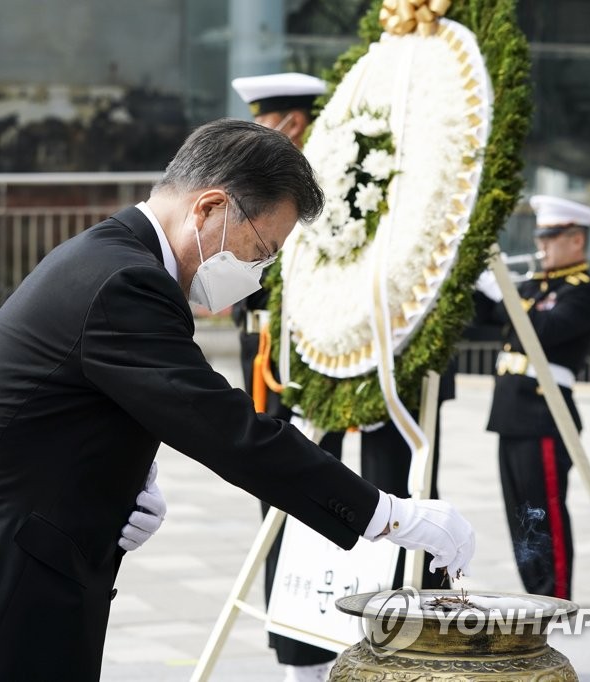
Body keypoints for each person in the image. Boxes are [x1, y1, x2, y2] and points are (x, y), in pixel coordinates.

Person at [0, 118, 476, 682]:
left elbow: (77, 402)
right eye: (260, 252)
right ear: (210, 208)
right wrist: (389, 515)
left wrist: (125, 478)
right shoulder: (126, 279)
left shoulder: (112, 256)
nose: (257, 274)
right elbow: (225, 427)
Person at [231, 72, 347, 682]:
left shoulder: (319, 190)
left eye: (265, 122)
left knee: (317, 499)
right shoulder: (255, 188)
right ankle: (294, 654)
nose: (257, 134)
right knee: (274, 506)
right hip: (265, 374)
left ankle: (318, 652)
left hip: (311, 372)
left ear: (293, 124)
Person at [476, 195, 590, 600]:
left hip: (544, 414)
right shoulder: (534, 285)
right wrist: (478, 282)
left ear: (576, 241)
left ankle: (555, 596)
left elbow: (540, 331)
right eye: (540, 236)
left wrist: (504, 296)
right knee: (521, 517)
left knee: (543, 512)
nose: (542, 244)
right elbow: (486, 317)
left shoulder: (583, 293)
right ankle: (534, 593)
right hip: (512, 413)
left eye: (551, 237)